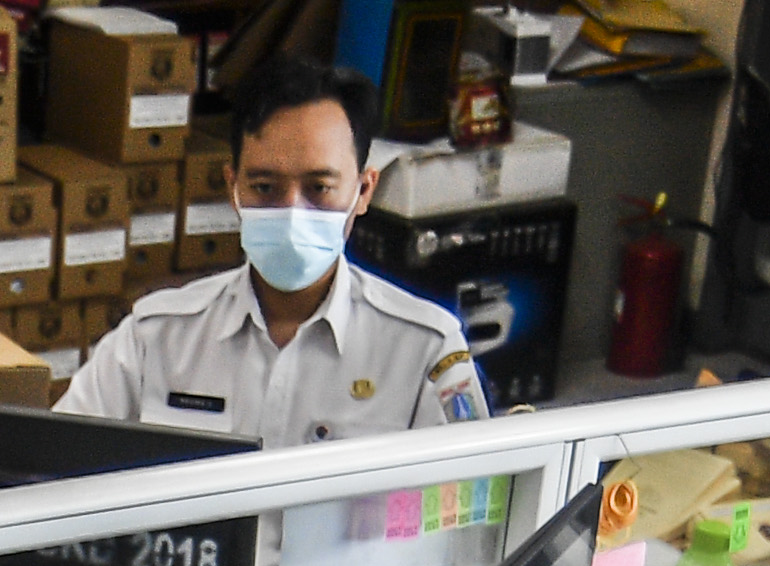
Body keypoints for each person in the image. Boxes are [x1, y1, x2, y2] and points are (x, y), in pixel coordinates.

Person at [58, 55, 486, 446]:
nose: (292, 211)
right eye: (265, 188)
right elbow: (55, 467)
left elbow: (470, 507)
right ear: (233, 187)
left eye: (319, 188)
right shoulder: (155, 338)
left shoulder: (423, 350)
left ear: (363, 190)